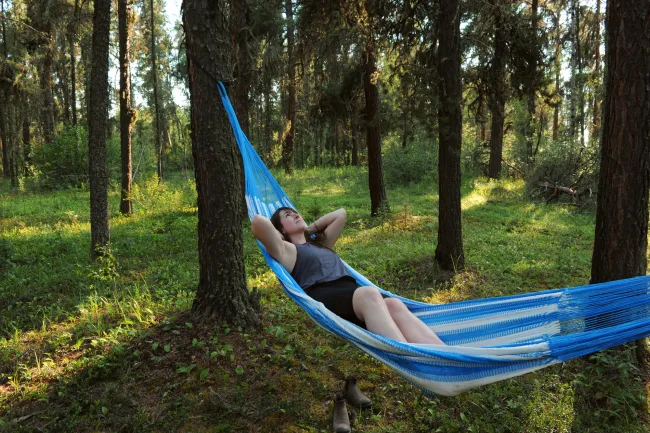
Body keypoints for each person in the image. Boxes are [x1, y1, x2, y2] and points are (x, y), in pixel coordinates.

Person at [251, 206, 444, 345]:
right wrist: (281, 235)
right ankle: (408, 355)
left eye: (295, 212)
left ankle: (444, 354)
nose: (295, 214)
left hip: (352, 293)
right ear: (281, 230)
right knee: (370, 294)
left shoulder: (320, 244)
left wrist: (309, 229)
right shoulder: (287, 250)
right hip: (326, 295)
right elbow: (257, 222)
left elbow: (341, 214)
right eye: (287, 215)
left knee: (393, 304)